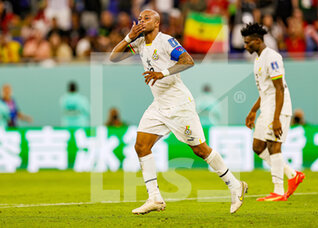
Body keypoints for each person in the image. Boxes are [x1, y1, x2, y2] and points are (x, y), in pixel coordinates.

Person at [110, 9, 247, 215]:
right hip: (158, 105)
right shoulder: (138, 43)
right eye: (139, 19)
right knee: (141, 146)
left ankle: (235, 185)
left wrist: (162, 73)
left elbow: (188, 60)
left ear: (157, 23)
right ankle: (154, 198)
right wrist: (129, 36)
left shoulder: (166, 41)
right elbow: (113, 57)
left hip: (178, 104)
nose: (141, 21)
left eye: (146, 18)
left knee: (200, 149)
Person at [241, 23, 305, 201]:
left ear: (257, 41)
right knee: (258, 146)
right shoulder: (258, 60)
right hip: (267, 107)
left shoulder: (273, 58)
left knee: (273, 145)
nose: (245, 46)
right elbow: (265, 91)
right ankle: (292, 175)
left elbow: (279, 89)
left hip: (278, 108)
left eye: (248, 43)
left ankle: (278, 190)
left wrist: (277, 118)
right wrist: (253, 111)